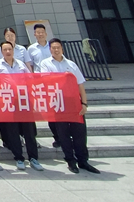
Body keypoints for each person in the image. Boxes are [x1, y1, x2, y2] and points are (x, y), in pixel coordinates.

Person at [40, 38, 100, 174]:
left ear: (62, 48)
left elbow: (80, 85)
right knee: (63, 134)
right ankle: (70, 161)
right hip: (58, 103)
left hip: (74, 103)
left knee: (80, 133)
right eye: (53, 48)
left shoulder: (71, 64)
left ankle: (83, 161)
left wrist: (84, 103)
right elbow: (45, 80)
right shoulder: (46, 64)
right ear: (50, 49)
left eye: (58, 47)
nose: (56, 50)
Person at [0, 40, 44, 171]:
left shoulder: (21, 64)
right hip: (8, 102)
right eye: (5, 50)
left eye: (9, 49)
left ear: (13, 50)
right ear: (1, 52)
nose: (8, 52)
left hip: (24, 101)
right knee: (13, 131)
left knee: (29, 131)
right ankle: (19, 158)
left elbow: (30, 80)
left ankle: (33, 158)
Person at [28, 23, 60, 146]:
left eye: (42, 32)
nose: (40, 34)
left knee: (57, 109)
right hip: (41, 83)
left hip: (55, 83)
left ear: (46, 33)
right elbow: (30, 66)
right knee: (49, 111)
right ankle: (56, 136)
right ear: (34, 34)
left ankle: (61, 136)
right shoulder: (31, 49)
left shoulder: (52, 47)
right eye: (38, 32)